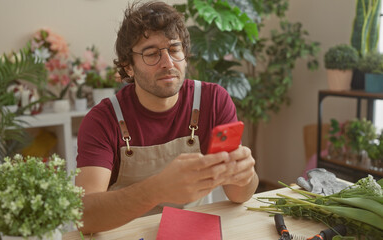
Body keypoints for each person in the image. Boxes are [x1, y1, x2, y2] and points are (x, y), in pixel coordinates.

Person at [75, 1, 259, 234]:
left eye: (174, 49)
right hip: (125, 233)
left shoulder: (213, 101)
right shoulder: (103, 120)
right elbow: (84, 217)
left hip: (191, 231)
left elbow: (238, 195)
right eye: (151, 53)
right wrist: (156, 189)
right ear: (128, 67)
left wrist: (246, 175)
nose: (168, 63)